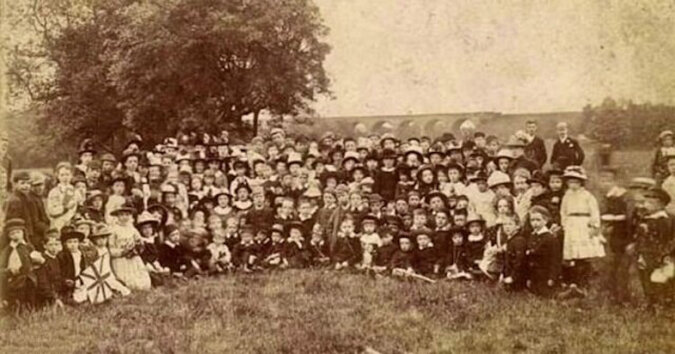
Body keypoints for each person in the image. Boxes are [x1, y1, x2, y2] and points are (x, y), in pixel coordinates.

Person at [559, 166, 603, 297]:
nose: (573, 184)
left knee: (583, 256)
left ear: (581, 183)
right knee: (573, 256)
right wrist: (565, 224)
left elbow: (594, 212)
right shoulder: (566, 196)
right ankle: (574, 284)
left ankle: (585, 283)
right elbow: (563, 212)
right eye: (570, 182)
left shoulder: (587, 196)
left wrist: (594, 226)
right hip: (572, 225)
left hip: (584, 224)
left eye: (576, 182)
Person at [634, 186, 675, 307]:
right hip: (647, 253)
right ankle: (651, 301)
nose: (647, 205)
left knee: (666, 277)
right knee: (646, 276)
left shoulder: (670, 219)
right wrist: (640, 253)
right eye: (646, 202)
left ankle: (668, 301)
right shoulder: (644, 219)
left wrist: (668, 252)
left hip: (665, 253)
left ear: (662, 204)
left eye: (652, 202)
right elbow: (639, 238)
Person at [108, 203, 152, 291]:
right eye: (122, 215)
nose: (125, 217)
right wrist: (123, 252)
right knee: (128, 284)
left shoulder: (132, 229)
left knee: (145, 284)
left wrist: (136, 249)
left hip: (133, 259)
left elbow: (140, 242)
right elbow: (111, 250)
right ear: (117, 216)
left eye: (127, 215)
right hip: (120, 260)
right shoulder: (113, 230)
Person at [0, 219, 40, 309]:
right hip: (12, 277)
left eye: (18, 232)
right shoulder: (7, 250)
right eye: (12, 233)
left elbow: (34, 259)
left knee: (29, 293)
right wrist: (8, 271)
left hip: (28, 277)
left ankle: (29, 308)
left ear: (23, 233)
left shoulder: (28, 246)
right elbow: (2, 265)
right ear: (9, 236)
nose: (15, 235)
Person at [525, 206, 561, 297]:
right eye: (532, 220)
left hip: (545, 275)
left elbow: (555, 260)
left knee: (549, 295)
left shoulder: (550, 238)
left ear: (545, 221)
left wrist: (552, 278)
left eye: (538, 220)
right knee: (534, 292)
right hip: (534, 275)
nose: (535, 223)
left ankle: (570, 294)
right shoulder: (532, 236)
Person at [47, 162, 81, 232]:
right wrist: (65, 208)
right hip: (58, 223)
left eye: (67, 175)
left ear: (71, 175)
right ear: (58, 176)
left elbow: (80, 206)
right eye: (62, 175)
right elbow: (51, 211)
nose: (65, 177)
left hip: (72, 223)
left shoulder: (76, 191)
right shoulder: (54, 192)